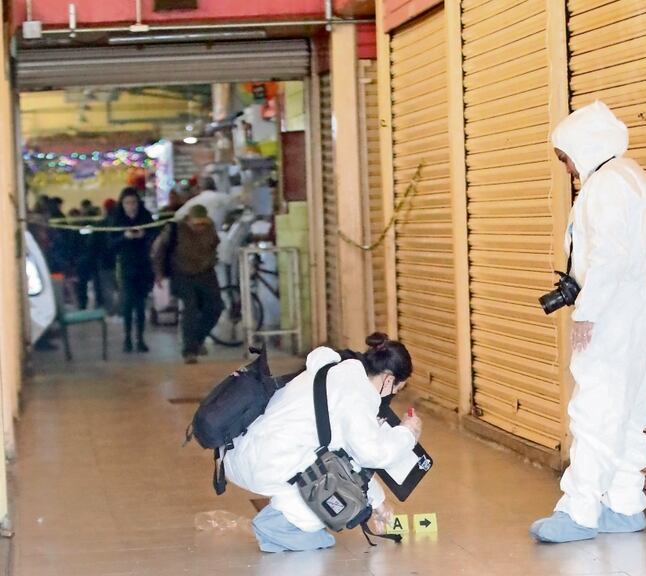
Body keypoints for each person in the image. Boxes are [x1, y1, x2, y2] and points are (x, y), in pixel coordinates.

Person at [529, 101, 646, 544]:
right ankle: (625, 503)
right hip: (640, 303)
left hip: (611, 309)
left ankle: (580, 509)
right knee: (628, 409)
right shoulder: (632, 175)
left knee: (595, 409)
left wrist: (585, 314)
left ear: (585, 147)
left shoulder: (605, 186)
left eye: (565, 157)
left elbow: (606, 259)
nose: (567, 168)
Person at [223, 333, 423, 553]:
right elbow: (372, 455)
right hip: (264, 462)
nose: (393, 393)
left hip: (245, 448)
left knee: (336, 468)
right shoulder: (356, 394)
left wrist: (378, 503)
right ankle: (278, 527)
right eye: (397, 387)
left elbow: (351, 456)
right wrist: (407, 433)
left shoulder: (338, 369)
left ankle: (281, 521)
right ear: (388, 378)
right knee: (332, 495)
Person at [151, 204, 223, 364]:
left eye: (203, 224)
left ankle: (197, 340)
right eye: (196, 224)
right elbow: (159, 250)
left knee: (215, 307)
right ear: (188, 220)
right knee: (190, 308)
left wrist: (211, 259)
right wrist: (159, 274)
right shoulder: (175, 229)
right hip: (182, 273)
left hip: (206, 272)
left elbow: (214, 244)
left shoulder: (210, 227)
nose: (200, 227)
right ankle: (189, 350)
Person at [108, 187, 157, 353]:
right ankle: (127, 338)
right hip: (126, 265)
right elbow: (111, 244)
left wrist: (145, 236)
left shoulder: (145, 217)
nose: (131, 206)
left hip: (143, 265)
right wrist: (125, 237)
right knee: (129, 303)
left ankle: (140, 338)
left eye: (134, 202)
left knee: (141, 304)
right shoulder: (117, 220)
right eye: (128, 203)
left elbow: (155, 236)